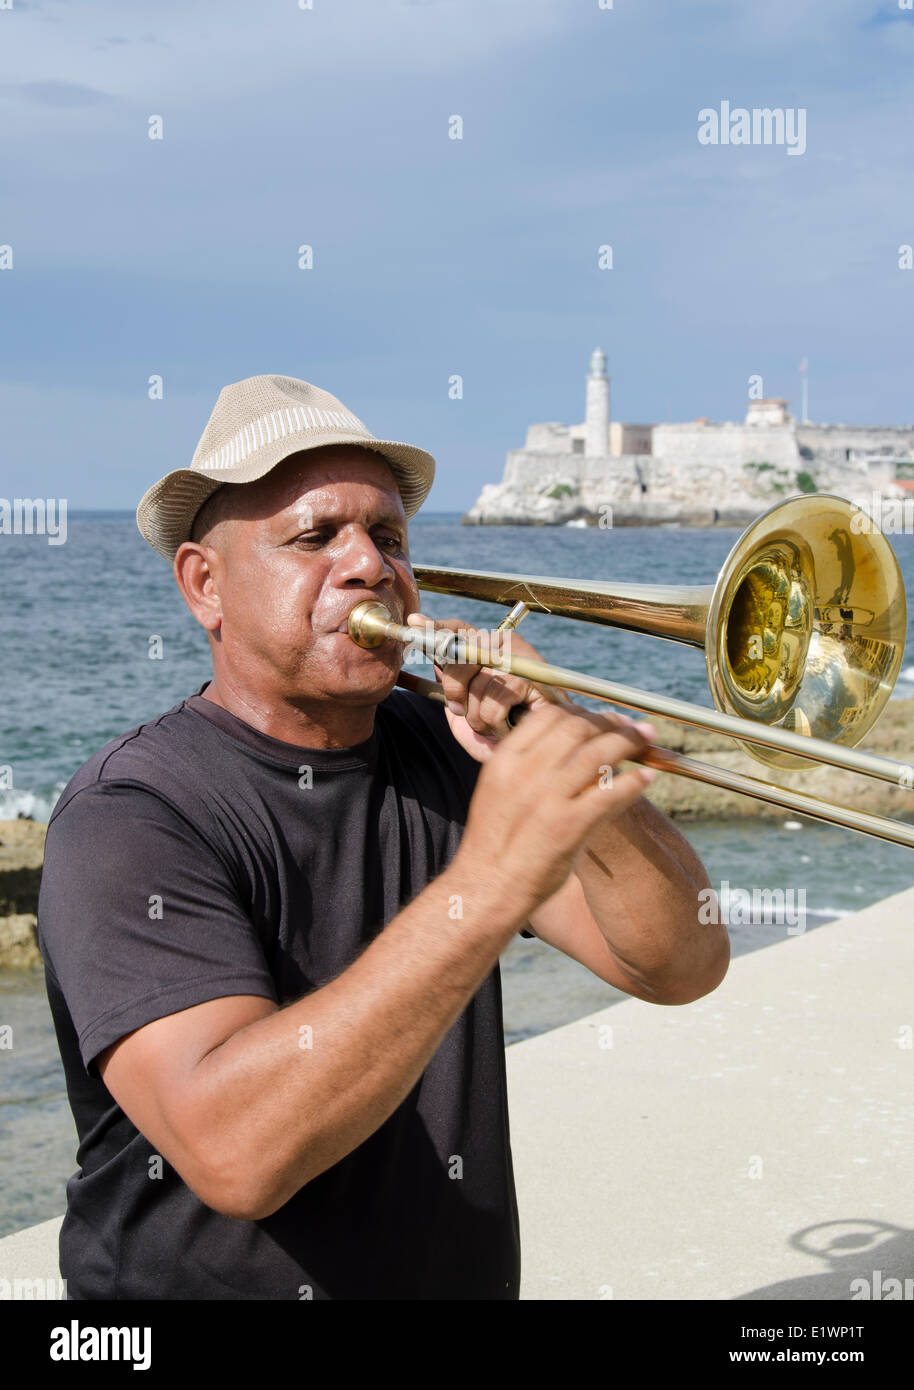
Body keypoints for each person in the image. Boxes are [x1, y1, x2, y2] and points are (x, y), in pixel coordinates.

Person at [37, 374, 728, 1300]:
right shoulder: (132, 817)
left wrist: (563, 744)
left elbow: (679, 964)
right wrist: (487, 883)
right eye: (316, 536)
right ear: (206, 584)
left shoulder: (448, 754)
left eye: (389, 537)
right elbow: (236, 1154)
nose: (371, 565)